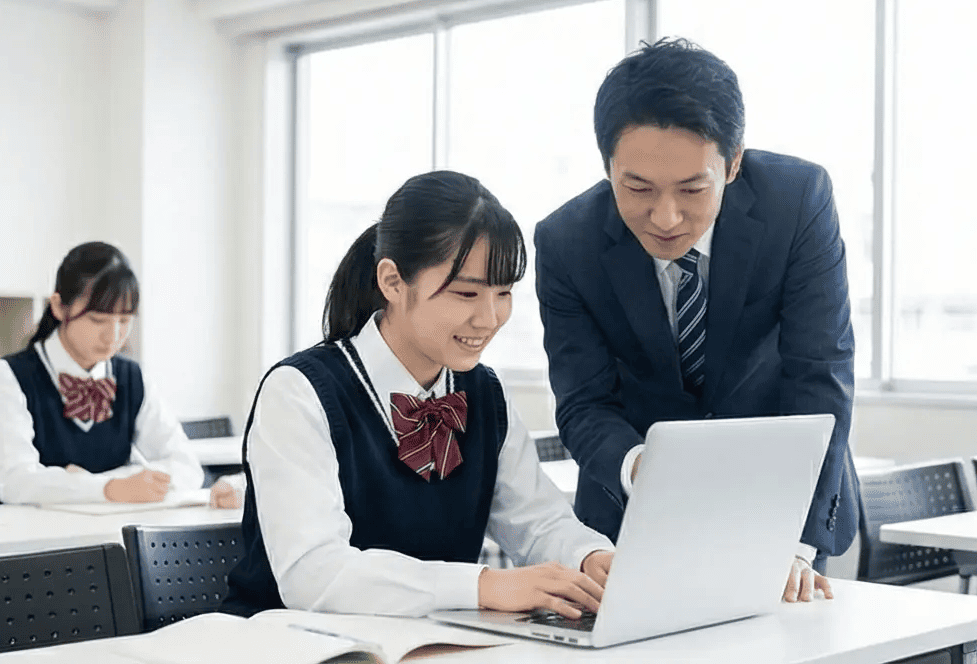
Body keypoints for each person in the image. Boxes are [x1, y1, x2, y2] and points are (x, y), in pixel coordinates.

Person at [534, 38, 859, 603]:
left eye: (692, 189)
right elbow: (584, 402)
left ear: (732, 163)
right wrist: (650, 472)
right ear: (607, 165)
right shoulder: (567, 241)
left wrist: (794, 540)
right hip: (633, 518)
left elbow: (820, 373)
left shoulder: (797, 200)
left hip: (780, 506)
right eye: (636, 187)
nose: (665, 217)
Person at [222, 170, 613, 619]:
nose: (489, 319)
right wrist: (483, 585)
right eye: (466, 293)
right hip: (294, 647)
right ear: (392, 282)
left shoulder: (484, 394)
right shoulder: (299, 393)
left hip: (428, 645)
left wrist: (591, 560)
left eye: (503, 293)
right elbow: (315, 574)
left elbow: (539, 523)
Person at [0, 241, 241, 508]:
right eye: (97, 320)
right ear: (58, 307)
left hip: (115, 539)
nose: (113, 336)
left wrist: (109, 484)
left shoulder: (132, 377)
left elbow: (186, 467)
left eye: (125, 321)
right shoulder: (10, 377)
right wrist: (109, 488)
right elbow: (15, 482)